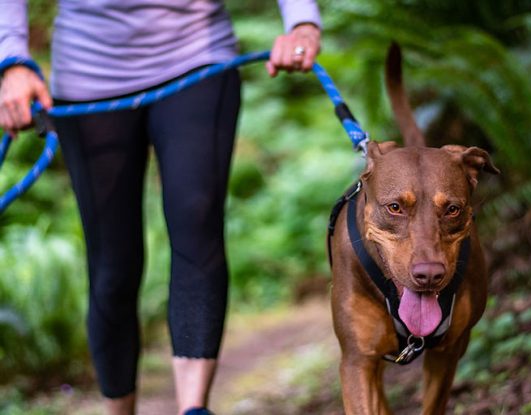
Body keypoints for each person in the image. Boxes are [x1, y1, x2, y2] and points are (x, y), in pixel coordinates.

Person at [0, 1, 321, 414]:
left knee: (197, 218)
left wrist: (302, 22)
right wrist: (12, 59)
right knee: (114, 263)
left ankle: (194, 407)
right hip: (88, 74)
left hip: (197, 59)